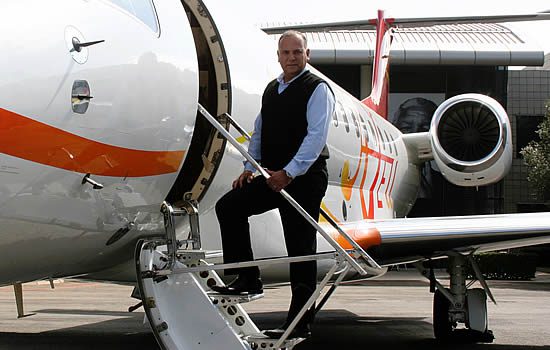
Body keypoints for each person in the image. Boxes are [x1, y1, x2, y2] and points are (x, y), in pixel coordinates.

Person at [210, 30, 335, 339]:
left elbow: (315, 138)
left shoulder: (317, 88)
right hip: (272, 175)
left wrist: (289, 173)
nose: (291, 58)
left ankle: (299, 322)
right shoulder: (272, 89)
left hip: (304, 179)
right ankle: (247, 277)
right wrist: (249, 168)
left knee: (300, 249)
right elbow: (259, 131)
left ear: (307, 55)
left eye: (297, 52)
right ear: (278, 56)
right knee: (229, 207)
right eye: (286, 53)